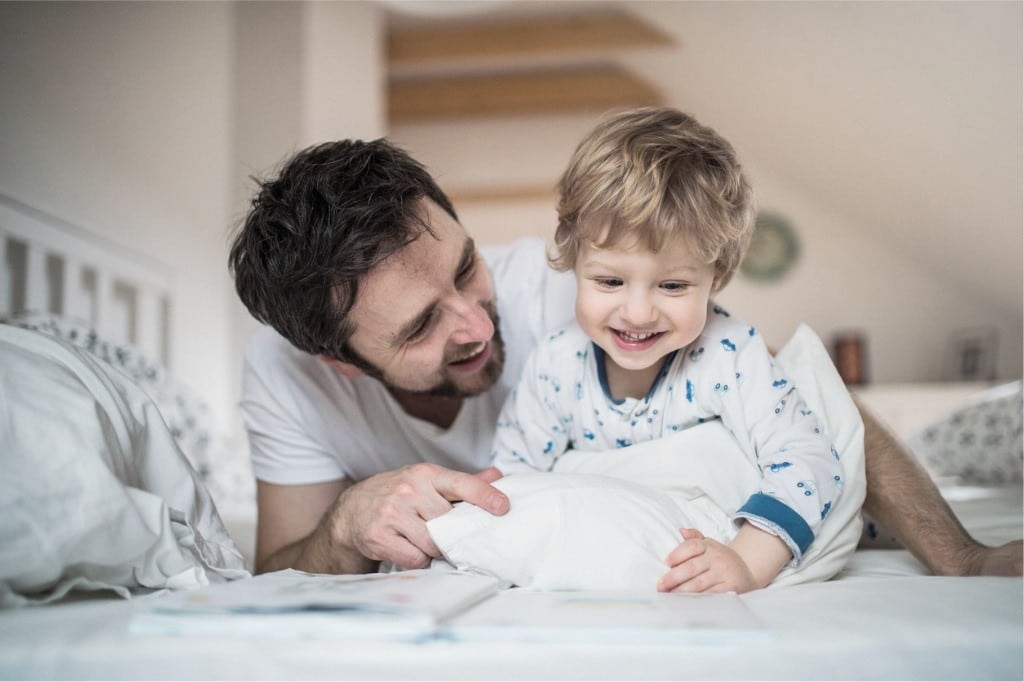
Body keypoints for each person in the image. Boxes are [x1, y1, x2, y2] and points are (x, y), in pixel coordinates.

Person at [228, 131, 1022, 579]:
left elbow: (814, 412)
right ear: (338, 361)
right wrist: (350, 527)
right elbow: (281, 566)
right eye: (420, 327)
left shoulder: (569, 294)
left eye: (466, 267)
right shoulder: (284, 377)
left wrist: (964, 558)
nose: (475, 323)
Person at [489, 107, 844, 593]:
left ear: (715, 276)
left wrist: (745, 564)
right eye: (610, 281)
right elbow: (510, 480)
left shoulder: (729, 353)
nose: (637, 314)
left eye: (673, 285)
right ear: (574, 262)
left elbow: (808, 460)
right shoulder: (554, 364)